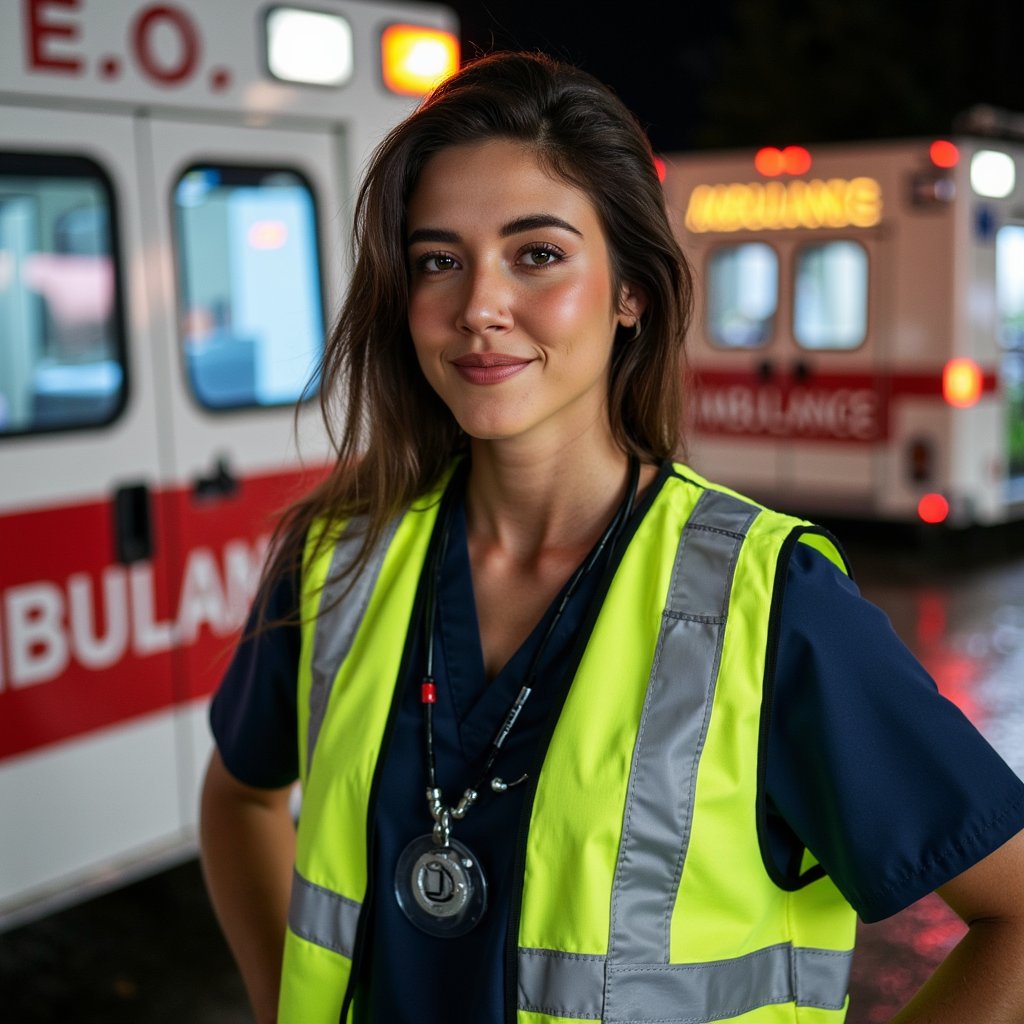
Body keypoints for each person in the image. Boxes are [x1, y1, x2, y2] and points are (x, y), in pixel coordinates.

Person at [199, 51, 1024, 1024]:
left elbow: (1010, 914)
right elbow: (240, 799)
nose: (478, 308)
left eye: (536, 253)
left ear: (630, 291)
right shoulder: (339, 557)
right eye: (436, 260)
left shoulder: (768, 601)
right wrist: (272, 999)